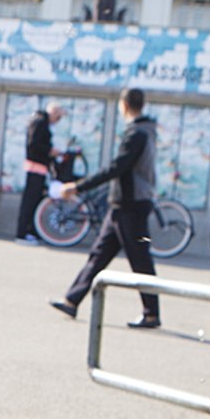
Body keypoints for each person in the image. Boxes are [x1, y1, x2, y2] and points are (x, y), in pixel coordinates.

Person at [50, 87, 161, 330]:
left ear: (124, 105)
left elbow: (116, 168)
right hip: (122, 205)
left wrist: (78, 187)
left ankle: (151, 314)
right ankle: (72, 299)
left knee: (140, 261)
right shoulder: (146, 131)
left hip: (131, 205)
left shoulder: (136, 134)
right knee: (98, 255)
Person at [15, 100, 63, 244]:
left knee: (35, 200)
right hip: (36, 167)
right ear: (53, 112)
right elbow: (34, 144)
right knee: (30, 201)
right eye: (58, 117)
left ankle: (29, 231)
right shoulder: (40, 122)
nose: (58, 121)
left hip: (38, 167)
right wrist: (50, 151)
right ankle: (22, 233)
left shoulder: (39, 121)